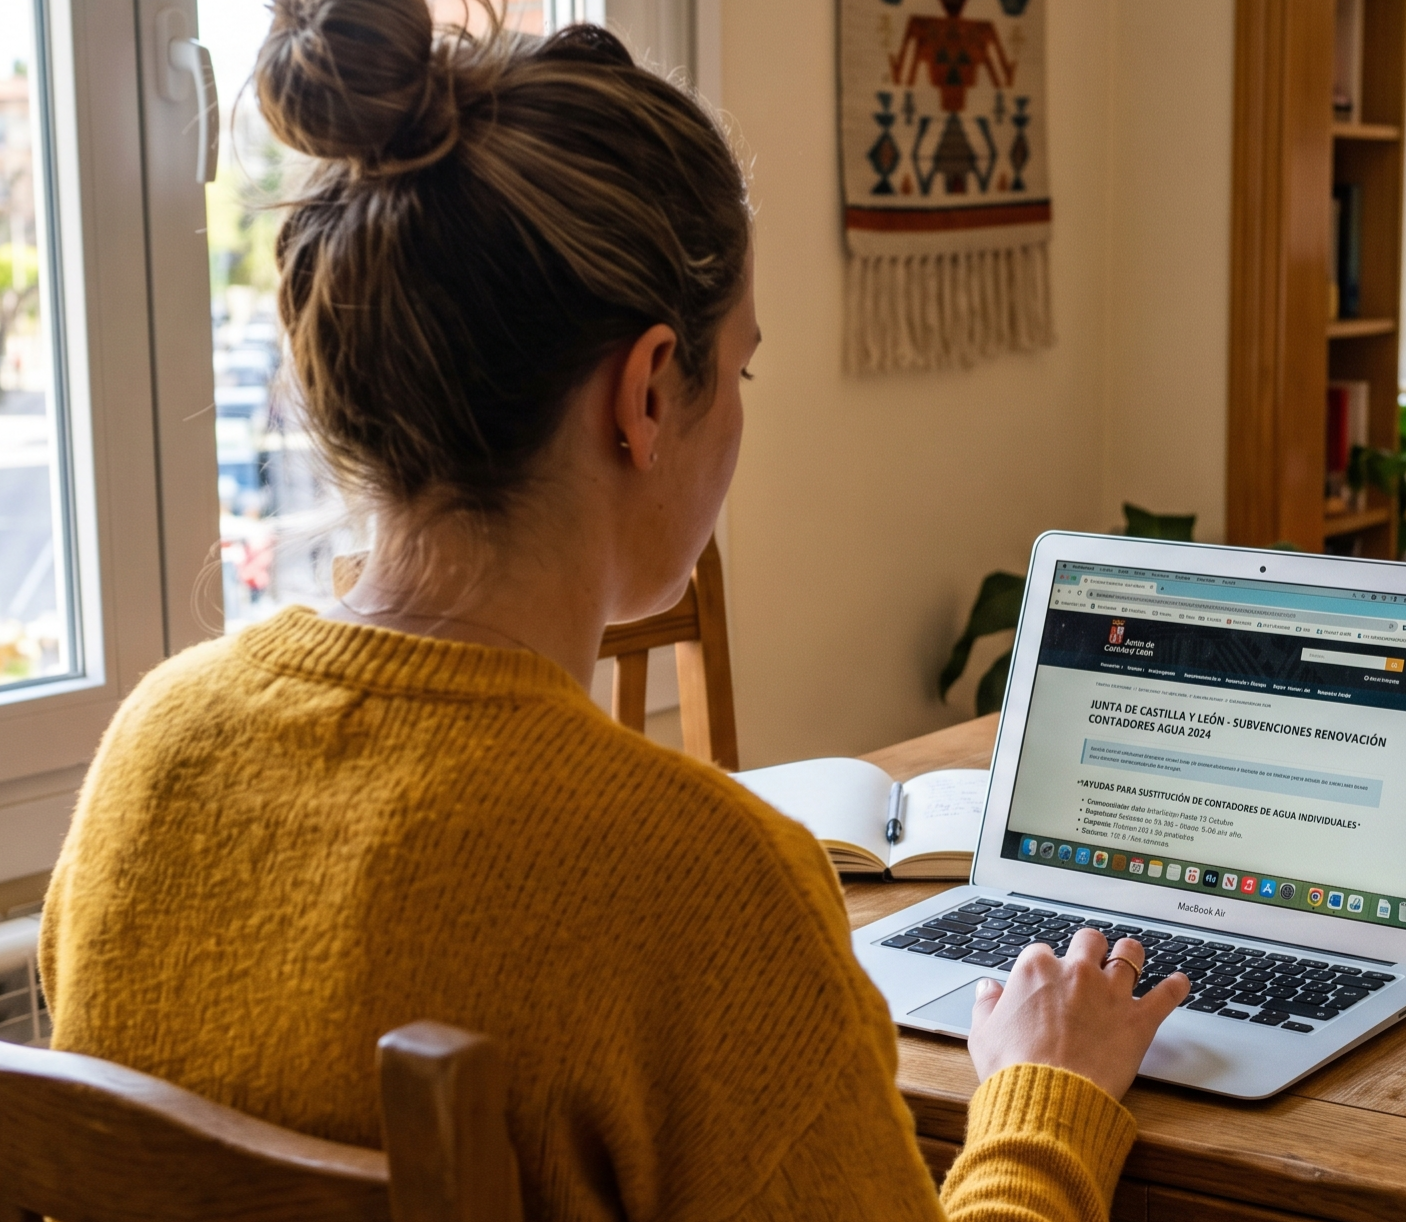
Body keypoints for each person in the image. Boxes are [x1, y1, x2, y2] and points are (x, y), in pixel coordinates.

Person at [36, 2, 1188, 1218]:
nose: (739, 408)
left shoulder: (149, 758)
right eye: (736, 367)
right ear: (644, 392)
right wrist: (1046, 1098)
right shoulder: (702, 890)